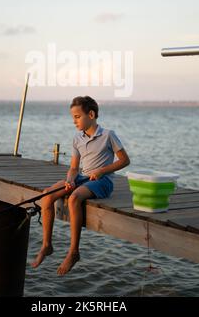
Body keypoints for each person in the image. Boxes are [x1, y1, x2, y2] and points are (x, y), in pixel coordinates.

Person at [31, 95, 130, 275]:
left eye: (77, 117)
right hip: (82, 178)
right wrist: (70, 180)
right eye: (73, 118)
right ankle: (47, 245)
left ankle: (74, 252)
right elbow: (74, 168)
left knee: (74, 198)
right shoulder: (77, 139)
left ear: (91, 114)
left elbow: (124, 161)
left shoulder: (108, 135)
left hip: (103, 181)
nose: (74, 121)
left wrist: (102, 171)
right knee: (46, 195)